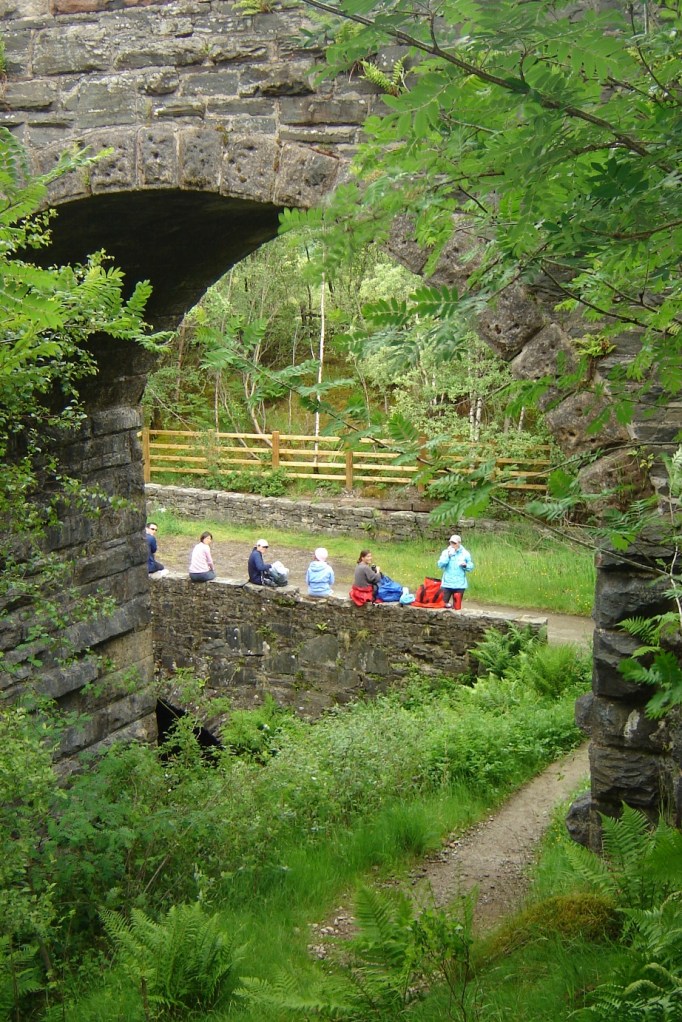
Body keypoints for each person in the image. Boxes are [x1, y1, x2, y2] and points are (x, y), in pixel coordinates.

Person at [437, 534, 474, 610]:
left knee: (457, 608)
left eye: (454, 543)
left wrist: (465, 565)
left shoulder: (465, 553)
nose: (452, 545)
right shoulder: (445, 552)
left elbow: (471, 566)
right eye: (451, 543)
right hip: (447, 584)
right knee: (442, 606)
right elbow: (440, 564)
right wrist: (448, 556)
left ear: (459, 543)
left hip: (459, 585)